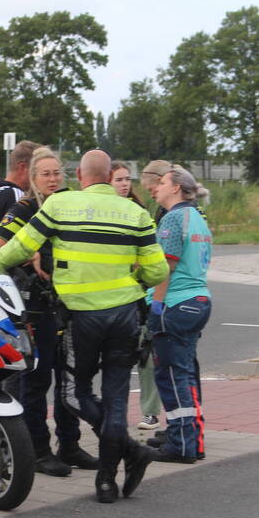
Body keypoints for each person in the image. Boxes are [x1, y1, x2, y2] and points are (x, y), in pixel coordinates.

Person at [0, 150, 169, 504]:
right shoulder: (136, 212)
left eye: (60, 173)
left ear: (80, 177)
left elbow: (12, 249)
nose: (55, 179)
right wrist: (133, 279)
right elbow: (158, 272)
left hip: (79, 318)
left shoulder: (60, 207)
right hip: (125, 316)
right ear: (109, 176)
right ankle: (106, 480)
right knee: (115, 398)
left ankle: (127, 453)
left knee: (73, 393)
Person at [0, 147, 97, 477]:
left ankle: (71, 445)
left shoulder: (70, 204)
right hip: (35, 307)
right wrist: (31, 254)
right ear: (32, 178)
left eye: (56, 173)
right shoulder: (23, 208)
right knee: (36, 382)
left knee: (71, 378)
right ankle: (37, 451)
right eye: (45, 174)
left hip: (69, 304)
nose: (52, 179)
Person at [146, 167, 213, 463]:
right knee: (185, 374)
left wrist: (156, 307)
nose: (156, 188)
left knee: (171, 376)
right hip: (198, 301)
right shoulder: (197, 218)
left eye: (161, 183)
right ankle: (192, 441)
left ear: (175, 188)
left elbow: (165, 268)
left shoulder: (173, 219)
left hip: (175, 303)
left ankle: (180, 445)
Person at [111, 160, 164, 431]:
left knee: (145, 354)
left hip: (137, 293)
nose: (124, 184)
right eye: (118, 179)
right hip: (106, 296)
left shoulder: (139, 212)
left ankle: (150, 411)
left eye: (126, 179)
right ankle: (112, 414)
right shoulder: (98, 211)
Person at [0, 140, 42, 236]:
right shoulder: (16, 195)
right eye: (35, 170)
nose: (37, 176)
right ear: (23, 167)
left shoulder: (0, 191)